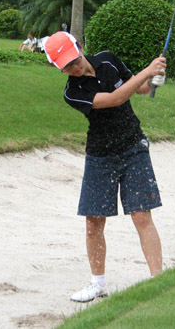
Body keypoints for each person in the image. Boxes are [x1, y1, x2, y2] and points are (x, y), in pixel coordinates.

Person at [44, 31, 166, 303]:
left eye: (75, 60)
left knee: (141, 215)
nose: (74, 68)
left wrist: (153, 79)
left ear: (80, 47)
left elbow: (140, 89)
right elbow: (114, 99)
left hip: (133, 146)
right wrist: (146, 71)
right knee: (93, 223)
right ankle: (98, 283)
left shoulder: (108, 60)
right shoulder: (73, 92)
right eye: (66, 67)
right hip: (100, 156)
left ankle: (159, 280)